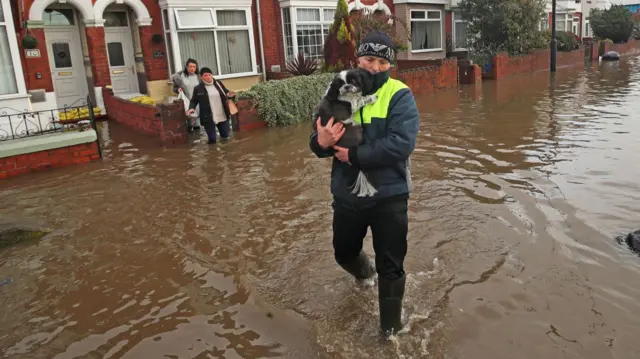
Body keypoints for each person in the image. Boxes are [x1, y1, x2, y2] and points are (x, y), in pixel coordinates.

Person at [308, 30, 420, 338]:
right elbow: (315, 142)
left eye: (382, 62)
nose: (374, 67)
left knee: (392, 267)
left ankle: (391, 333)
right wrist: (321, 141)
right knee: (343, 253)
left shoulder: (399, 95)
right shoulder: (338, 89)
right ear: (358, 59)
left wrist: (353, 155)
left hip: (390, 196)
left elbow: (401, 144)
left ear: (390, 65)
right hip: (347, 196)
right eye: (369, 59)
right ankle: (366, 275)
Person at [187, 67, 236, 144]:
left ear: (212, 75)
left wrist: (230, 94)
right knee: (212, 140)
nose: (208, 77)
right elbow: (193, 100)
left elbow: (226, 92)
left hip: (222, 115)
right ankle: (212, 154)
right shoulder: (198, 88)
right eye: (205, 75)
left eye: (209, 75)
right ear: (201, 77)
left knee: (225, 138)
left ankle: (225, 154)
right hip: (208, 117)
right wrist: (191, 108)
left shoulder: (219, 84)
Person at [172, 58, 201, 131]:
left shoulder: (198, 76)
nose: (192, 68)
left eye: (194, 67)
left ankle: (196, 135)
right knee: (188, 119)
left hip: (197, 102)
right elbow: (174, 88)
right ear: (186, 67)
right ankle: (189, 133)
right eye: (190, 66)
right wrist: (178, 90)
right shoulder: (180, 77)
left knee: (197, 120)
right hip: (187, 101)